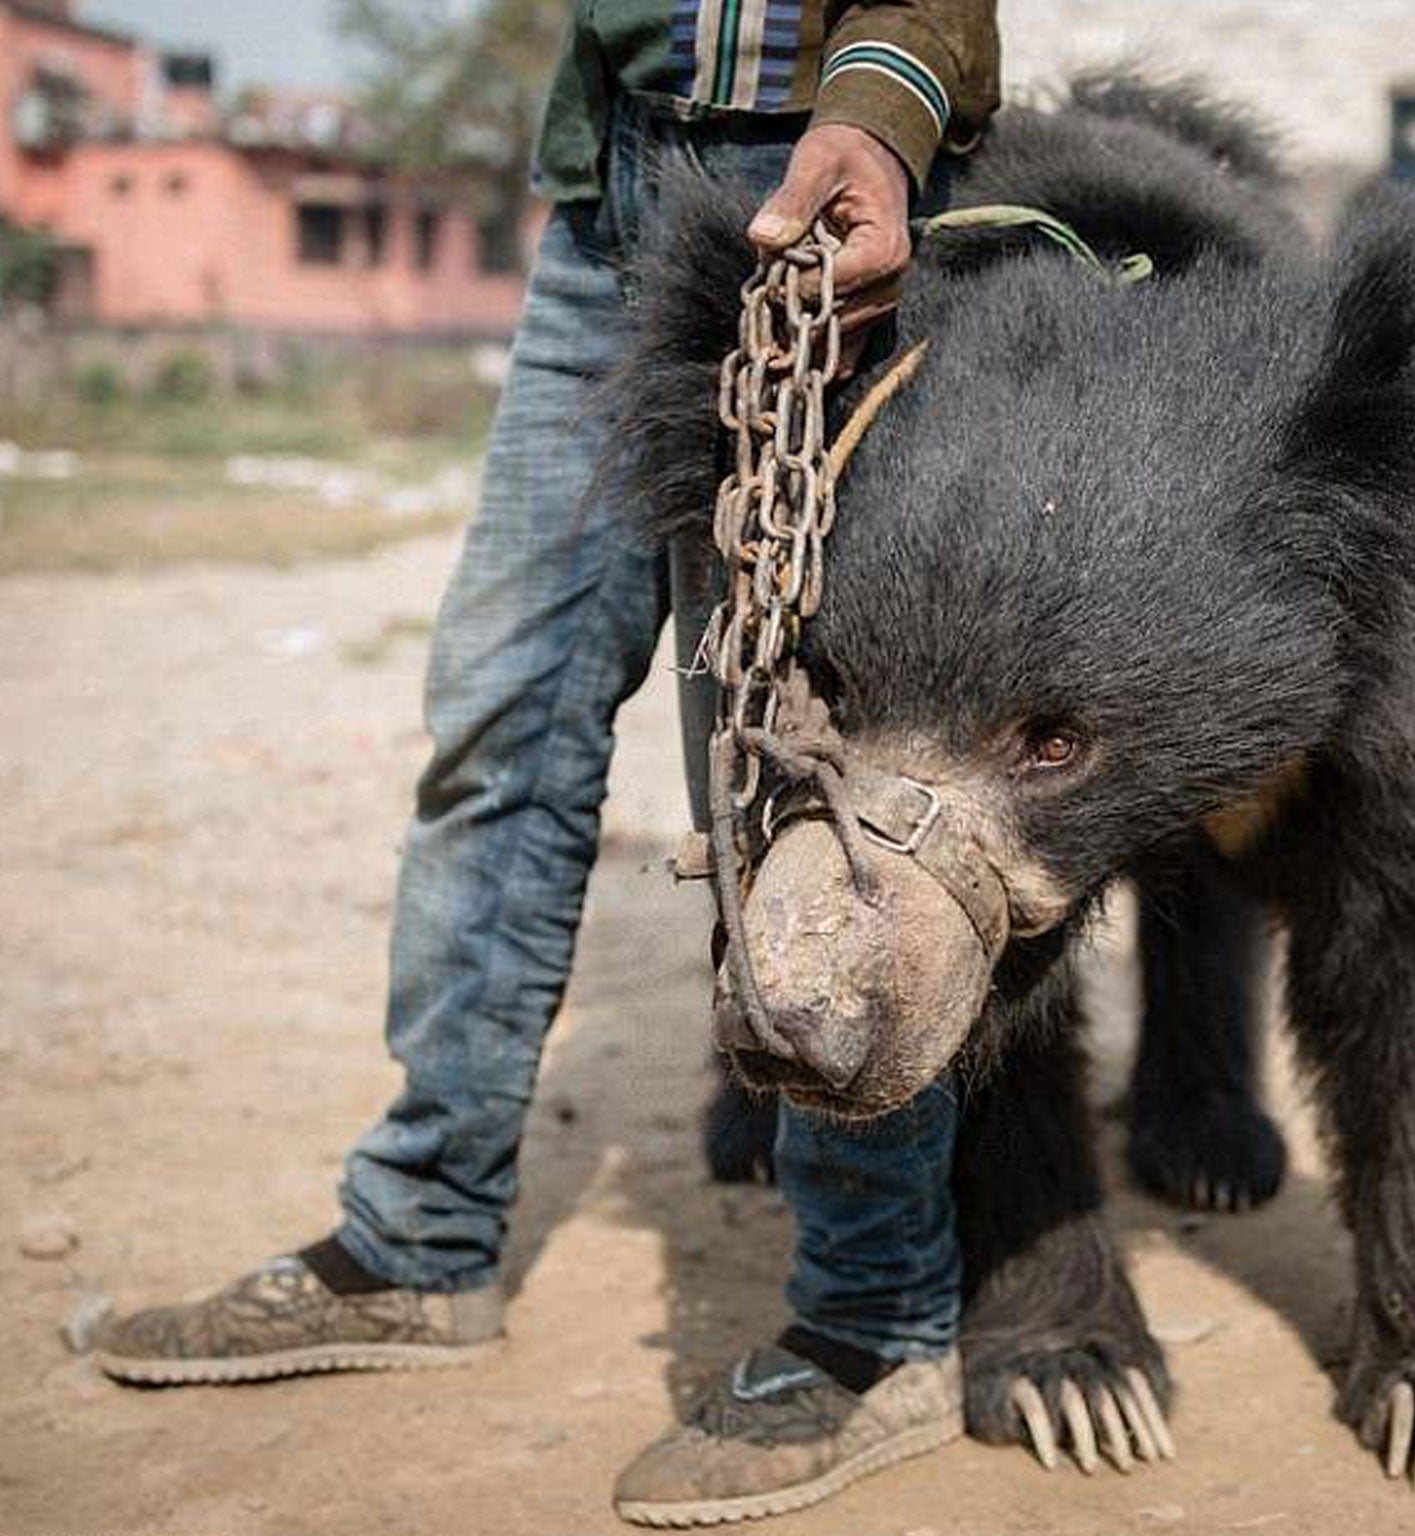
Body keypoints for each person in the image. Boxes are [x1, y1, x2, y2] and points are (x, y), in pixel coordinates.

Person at [94, 1, 999, 1525]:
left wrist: (885, 116)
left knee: (791, 765)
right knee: (498, 714)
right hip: (610, 215)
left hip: (808, 193)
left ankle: (874, 1319)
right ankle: (418, 1242)